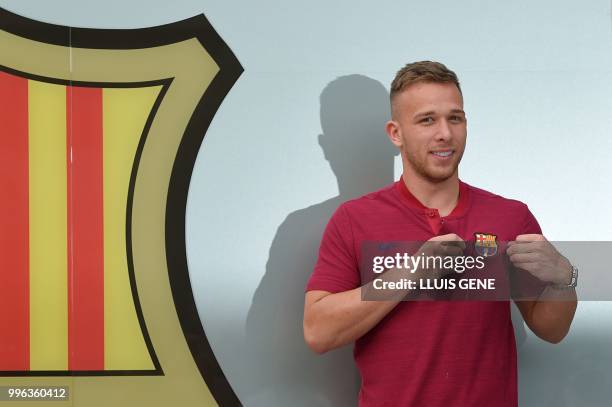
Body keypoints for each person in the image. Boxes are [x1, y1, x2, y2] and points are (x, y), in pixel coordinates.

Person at [302, 61, 577, 406]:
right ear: (395, 133)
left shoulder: (510, 216)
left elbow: (551, 329)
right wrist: (410, 273)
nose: (445, 133)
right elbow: (318, 331)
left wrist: (564, 280)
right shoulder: (354, 219)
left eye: (455, 118)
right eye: (427, 120)